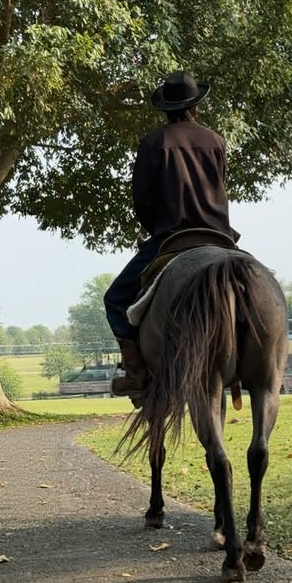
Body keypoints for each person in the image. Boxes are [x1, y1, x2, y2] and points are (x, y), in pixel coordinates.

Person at [104, 70, 239, 399]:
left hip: (171, 238)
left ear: (165, 109)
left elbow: (143, 200)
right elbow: (220, 188)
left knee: (115, 300)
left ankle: (135, 373)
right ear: (197, 107)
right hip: (220, 236)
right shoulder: (216, 141)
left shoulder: (153, 143)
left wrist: (157, 231)